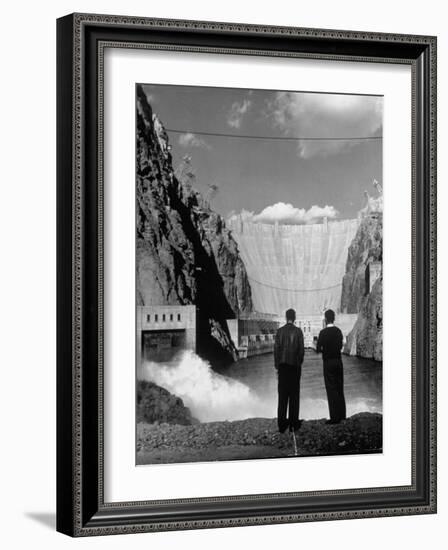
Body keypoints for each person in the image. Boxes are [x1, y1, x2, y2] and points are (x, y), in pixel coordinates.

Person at [274, 308, 304, 433]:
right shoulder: (298, 332)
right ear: (294, 318)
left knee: (282, 396)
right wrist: (298, 364)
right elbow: (301, 351)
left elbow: (276, 351)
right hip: (294, 367)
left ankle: (281, 425)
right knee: (294, 396)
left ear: (286, 318)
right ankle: (293, 425)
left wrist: (277, 366)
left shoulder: (279, 331)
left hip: (283, 367)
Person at [316, 309, 346, 424]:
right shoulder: (338, 331)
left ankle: (334, 418)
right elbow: (340, 346)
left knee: (331, 389)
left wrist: (324, 348)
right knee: (339, 388)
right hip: (338, 362)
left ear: (326, 319)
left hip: (328, 363)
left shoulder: (323, 333)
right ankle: (342, 415)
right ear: (334, 318)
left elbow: (318, 349)